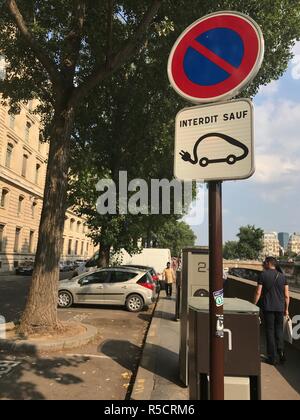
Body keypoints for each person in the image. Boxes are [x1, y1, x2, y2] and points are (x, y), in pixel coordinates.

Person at [254, 256, 290, 366]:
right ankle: (281, 353)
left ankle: (272, 358)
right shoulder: (282, 277)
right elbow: (287, 296)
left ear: (269, 263)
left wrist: (254, 305)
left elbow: (258, 292)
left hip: (268, 307)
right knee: (279, 331)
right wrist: (286, 309)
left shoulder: (263, 275)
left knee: (269, 331)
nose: (263, 264)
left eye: (264, 262)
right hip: (280, 308)